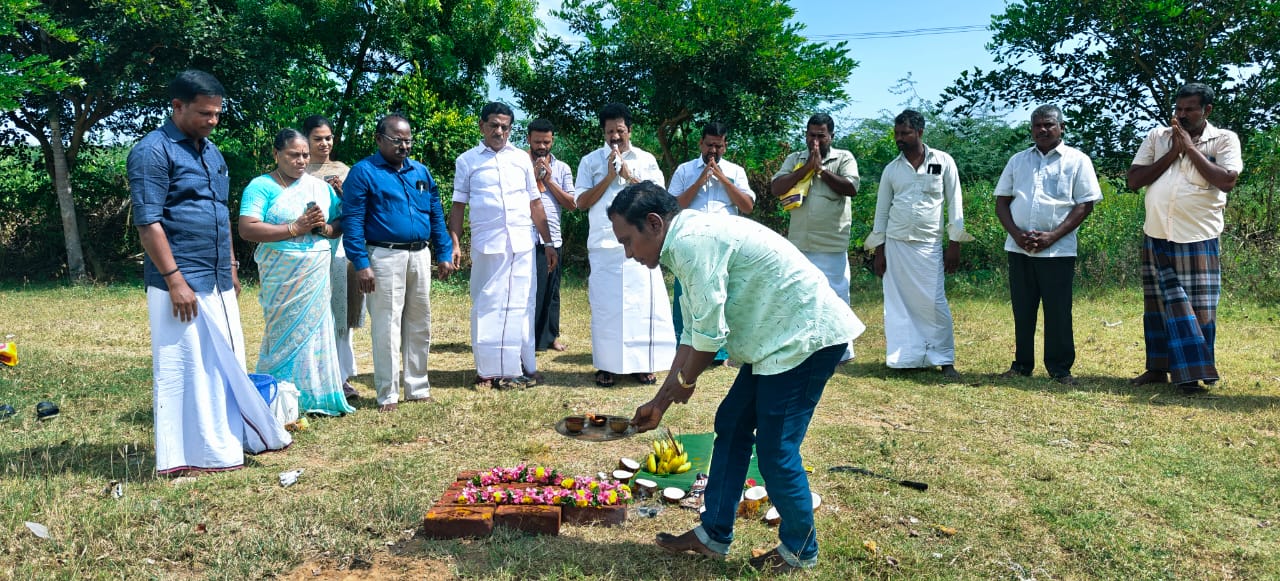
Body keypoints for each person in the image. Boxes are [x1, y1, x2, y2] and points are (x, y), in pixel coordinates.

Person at [613, 182, 865, 573]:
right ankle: (713, 534)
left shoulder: (691, 242)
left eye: (628, 241)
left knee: (777, 451)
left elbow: (710, 338)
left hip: (804, 337)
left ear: (653, 223)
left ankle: (800, 551)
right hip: (776, 341)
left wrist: (683, 385)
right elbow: (692, 332)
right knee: (732, 424)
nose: (629, 254)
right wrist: (660, 402)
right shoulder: (682, 240)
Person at [128, 70, 290, 475]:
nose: (212, 121)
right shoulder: (152, 151)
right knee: (187, 368)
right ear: (177, 106)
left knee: (225, 362)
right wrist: (174, 280)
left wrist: (233, 266)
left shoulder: (212, 153)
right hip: (180, 281)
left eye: (217, 113)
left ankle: (226, 440)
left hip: (217, 276)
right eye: (205, 113)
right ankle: (189, 455)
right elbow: (149, 223)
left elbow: (218, 214)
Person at [1126, 83, 1242, 393]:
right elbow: (1134, 180)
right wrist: (1173, 153)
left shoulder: (1223, 139)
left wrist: (1190, 149)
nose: (1182, 115)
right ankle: (1157, 368)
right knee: (1158, 306)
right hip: (1157, 233)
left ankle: (1191, 374)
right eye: (1178, 109)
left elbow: (1226, 180)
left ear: (1207, 110)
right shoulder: (1158, 137)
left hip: (1197, 236)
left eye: (1190, 109)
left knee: (1199, 309)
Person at [342, 114, 456, 412]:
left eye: (408, 140)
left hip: (419, 254)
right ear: (379, 139)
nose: (404, 145)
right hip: (383, 256)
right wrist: (361, 263)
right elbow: (352, 222)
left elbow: (436, 215)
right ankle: (388, 393)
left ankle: (417, 387)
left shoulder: (421, 172)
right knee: (387, 325)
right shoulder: (363, 172)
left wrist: (444, 253)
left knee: (419, 322)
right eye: (397, 140)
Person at [238, 128, 355, 416]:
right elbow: (247, 227)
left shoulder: (319, 187)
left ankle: (316, 396)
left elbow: (340, 220)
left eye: (304, 155)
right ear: (276, 154)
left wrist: (323, 229)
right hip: (282, 275)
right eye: (293, 155)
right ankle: (279, 396)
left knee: (315, 332)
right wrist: (295, 228)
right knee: (282, 333)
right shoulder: (260, 187)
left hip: (316, 271)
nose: (301, 161)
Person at [448, 103, 557, 390]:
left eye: (505, 126)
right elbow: (458, 206)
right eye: (494, 125)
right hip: (489, 245)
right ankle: (486, 372)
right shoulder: (467, 161)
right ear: (482, 126)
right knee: (487, 305)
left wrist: (548, 242)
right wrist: (454, 242)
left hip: (521, 242)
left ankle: (519, 368)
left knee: (521, 305)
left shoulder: (521, 159)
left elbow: (535, 202)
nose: (499, 131)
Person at [994, 105, 1102, 385]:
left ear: (1061, 127)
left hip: (1058, 249)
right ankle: (1021, 365)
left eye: (1049, 125)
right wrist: (1017, 234)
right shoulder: (1018, 161)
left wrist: (1052, 236)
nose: (1042, 130)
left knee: (1057, 310)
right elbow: (1002, 202)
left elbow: (1085, 204)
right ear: (1031, 129)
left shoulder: (1077, 160)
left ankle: (1060, 368)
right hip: (1020, 248)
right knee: (1023, 308)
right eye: (1037, 125)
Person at [865, 110, 973, 379]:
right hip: (897, 244)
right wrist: (880, 250)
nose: (899, 138)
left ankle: (944, 359)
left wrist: (955, 243)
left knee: (934, 302)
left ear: (920, 133)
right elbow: (881, 212)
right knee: (898, 303)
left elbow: (954, 203)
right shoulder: (892, 169)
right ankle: (906, 359)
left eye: (906, 133)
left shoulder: (943, 161)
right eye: (897, 133)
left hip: (929, 244)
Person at [574, 103, 676, 387]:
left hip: (642, 245)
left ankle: (643, 365)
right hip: (605, 246)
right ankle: (607, 366)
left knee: (641, 307)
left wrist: (630, 176)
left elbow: (661, 200)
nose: (615, 137)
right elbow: (580, 202)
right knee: (607, 308)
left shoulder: (646, 159)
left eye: (620, 131)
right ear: (603, 133)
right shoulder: (590, 161)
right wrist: (608, 176)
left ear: (630, 130)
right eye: (609, 132)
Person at [770, 113, 860, 360]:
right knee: (801, 295)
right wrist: (806, 169)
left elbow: (851, 188)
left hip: (831, 242)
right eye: (811, 135)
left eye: (821, 135)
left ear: (831, 135)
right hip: (800, 242)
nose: (815, 140)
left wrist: (820, 171)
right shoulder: (795, 159)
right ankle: (807, 347)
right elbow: (776, 188)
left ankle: (841, 352)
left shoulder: (843, 158)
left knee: (836, 295)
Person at [666, 121, 755, 367]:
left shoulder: (736, 172)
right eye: (708, 145)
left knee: (722, 296)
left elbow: (747, 206)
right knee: (687, 296)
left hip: (724, 244)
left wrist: (723, 179)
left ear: (725, 146)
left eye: (718, 146)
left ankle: (721, 354)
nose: (712, 151)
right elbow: (672, 207)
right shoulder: (685, 170)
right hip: (690, 244)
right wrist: (700, 180)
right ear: (700, 144)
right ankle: (685, 348)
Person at [302, 114, 362, 400]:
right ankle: (315, 373)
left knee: (342, 312)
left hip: (341, 251)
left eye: (328, 138)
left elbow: (357, 210)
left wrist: (344, 193)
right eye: (318, 139)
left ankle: (342, 375)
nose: (324, 144)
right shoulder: (298, 169)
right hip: (307, 250)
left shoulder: (343, 170)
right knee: (315, 312)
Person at [526, 118, 575, 354]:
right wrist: (534, 177)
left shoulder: (563, 168)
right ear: (528, 140)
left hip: (553, 237)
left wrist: (549, 180)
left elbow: (572, 203)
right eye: (537, 142)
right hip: (527, 238)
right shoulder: (519, 164)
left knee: (552, 291)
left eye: (546, 142)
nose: (542, 147)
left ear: (552, 140)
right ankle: (529, 338)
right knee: (530, 291)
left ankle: (551, 336)